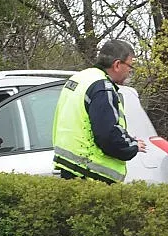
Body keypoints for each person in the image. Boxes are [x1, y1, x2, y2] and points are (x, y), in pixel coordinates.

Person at [52, 39, 146, 183]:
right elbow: (107, 136)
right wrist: (131, 146)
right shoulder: (103, 87)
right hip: (91, 172)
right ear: (117, 64)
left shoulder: (80, 78)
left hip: (70, 167)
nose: (130, 72)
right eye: (130, 67)